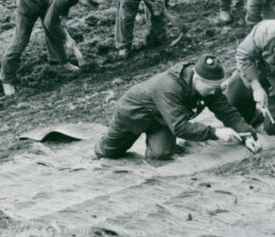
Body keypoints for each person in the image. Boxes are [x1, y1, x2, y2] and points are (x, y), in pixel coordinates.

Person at [95, 55, 262, 160]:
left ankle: (155, 140)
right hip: (133, 115)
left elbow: (227, 112)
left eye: (216, 87)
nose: (213, 92)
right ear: (197, 79)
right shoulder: (170, 86)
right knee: (108, 152)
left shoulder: (209, 87)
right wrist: (215, 132)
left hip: (161, 120)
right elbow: (180, 127)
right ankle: (104, 140)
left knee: (161, 155)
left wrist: (247, 134)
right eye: (210, 87)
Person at [0, 0, 103, 96]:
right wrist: (67, 39)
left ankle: (58, 62)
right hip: (28, 0)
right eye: (86, 5)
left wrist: (64, 16)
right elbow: (50, 23)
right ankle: (6, 80)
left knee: (55, 26)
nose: (85, 8)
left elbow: (69, 0)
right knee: (21, 40)